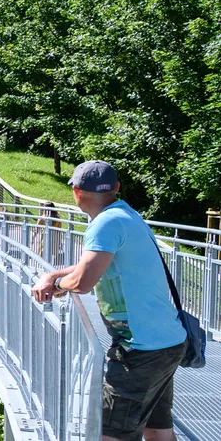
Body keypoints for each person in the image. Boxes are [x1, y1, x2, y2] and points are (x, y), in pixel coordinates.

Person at [30, 161, 185, 441]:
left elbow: (83, 281)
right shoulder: (126, 214)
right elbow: (92, 266)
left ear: (76, 192)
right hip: (166, 343)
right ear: (116, 188)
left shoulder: (105, 223)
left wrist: (55, 284)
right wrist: (53, 275)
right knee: (157, 430)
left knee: (111, 434)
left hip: (138, 351)